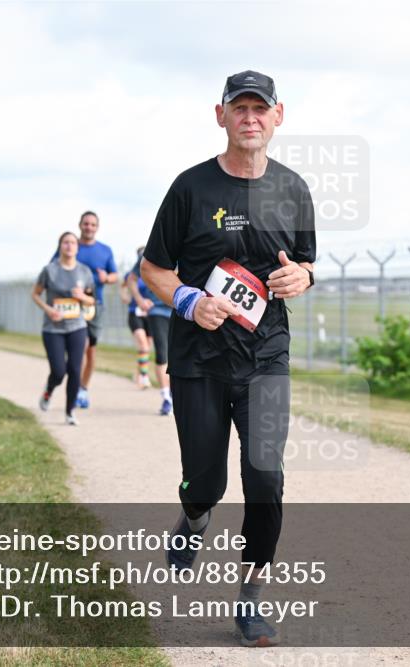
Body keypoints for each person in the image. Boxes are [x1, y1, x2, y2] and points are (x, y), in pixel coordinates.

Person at [141, 69, 316, 647]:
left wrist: (301, 276)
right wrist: (189, 301)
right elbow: (154, 269)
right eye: (238, 108)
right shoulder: (190, 188)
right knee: (206, 481)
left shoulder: (293, 189)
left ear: (278, 116)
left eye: (259, 108)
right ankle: (194, 519)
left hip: (266, 356)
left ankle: (250, 598)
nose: (250, 117)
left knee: (266, 477)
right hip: (199, 360)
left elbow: (308, 263)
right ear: (220, 116)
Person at [53, 211, 119, 409]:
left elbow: (115, 275)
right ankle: (74, 388)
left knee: (90, 350)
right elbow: (53, 268)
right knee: (80, 346)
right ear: (80, 225)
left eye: (92, 224)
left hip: (94, 305)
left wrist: (106, 278)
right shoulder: (70, 246)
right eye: (86, 224)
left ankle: (83, 388)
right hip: (73, 305)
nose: (89, 227)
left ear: (96, 227)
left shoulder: (105, 250)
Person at [33, 231, 96, 426]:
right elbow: (35, 294)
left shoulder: (84, 271)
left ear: (77, 247)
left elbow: (92, 300)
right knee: (59, 371)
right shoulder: (49, 270)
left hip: (77, 326)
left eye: (72, 243)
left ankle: (70, 412)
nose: (69, 246)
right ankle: (48, 390)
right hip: (53, 328)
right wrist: (49, 309)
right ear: (60, 246)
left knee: (75, 370)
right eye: (65, 242)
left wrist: (82, 297)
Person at [128, 246, 174, 415]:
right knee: (163, 354)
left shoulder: (190, 244)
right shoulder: (148, 252)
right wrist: (139, 299)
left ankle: (178, 394)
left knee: (180, 355)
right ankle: (166, 398)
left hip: (186, 310)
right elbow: (131, 279)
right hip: (158, 310)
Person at [120, 267, 153, 389]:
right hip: (135, 313)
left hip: (150, 314)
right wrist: (124, 296)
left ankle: (138, 374)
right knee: (143, 345)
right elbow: (123, 286)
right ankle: (144, 377)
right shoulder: (131, 274)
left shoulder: (154, 272)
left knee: (147, 347)